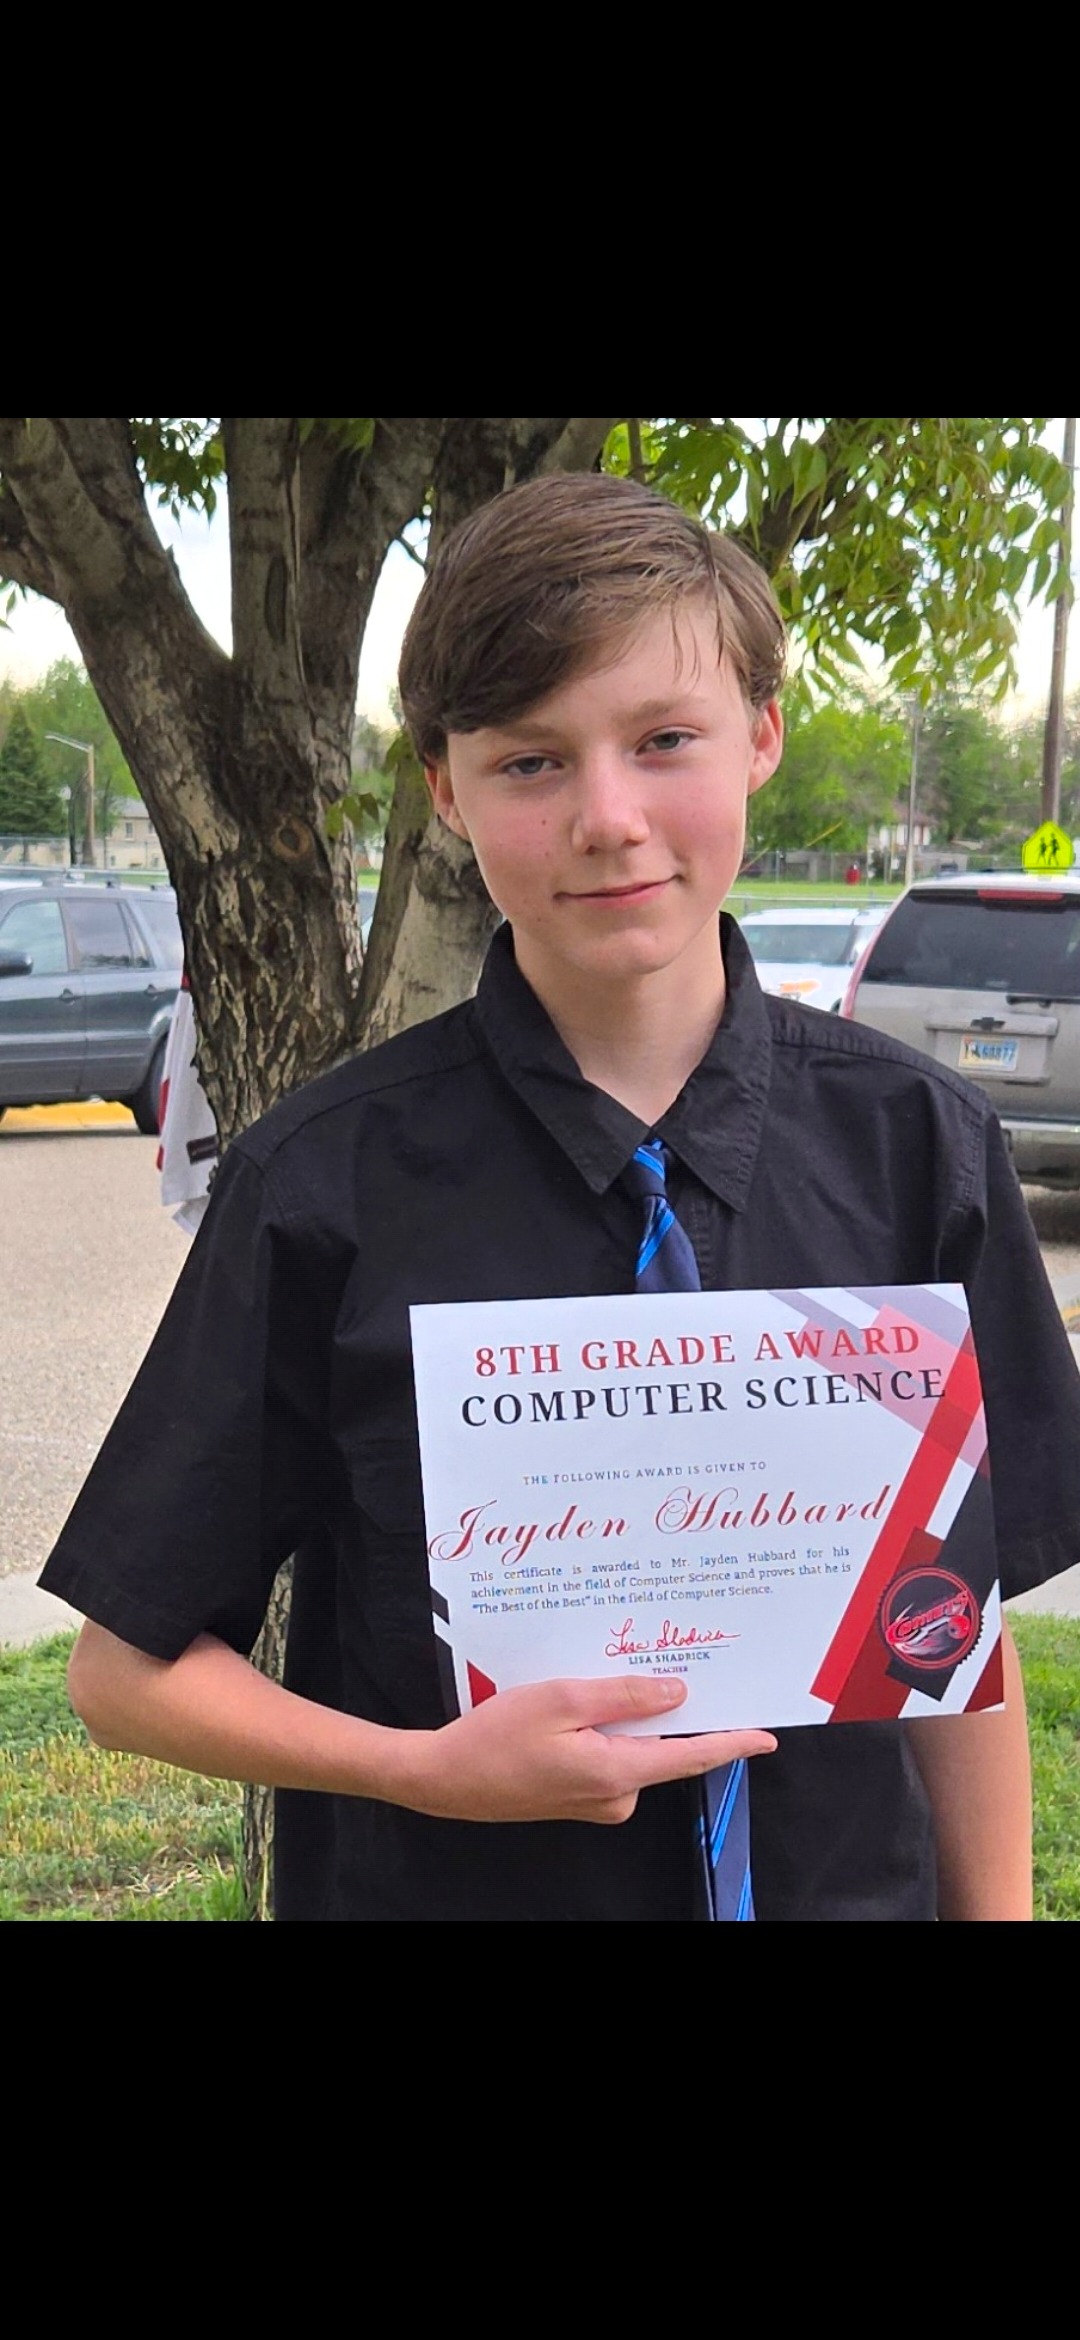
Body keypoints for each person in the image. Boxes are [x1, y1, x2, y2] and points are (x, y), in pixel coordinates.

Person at [39, 472, 1080, 1921]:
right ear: (444, 789)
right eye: (530, 761)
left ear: (763, 735)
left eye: (664, 741)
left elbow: (956, 1640)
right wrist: (421, 1769)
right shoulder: (322, 1185)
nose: (608, 817)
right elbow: (122, 1674)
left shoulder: (919, 1148)